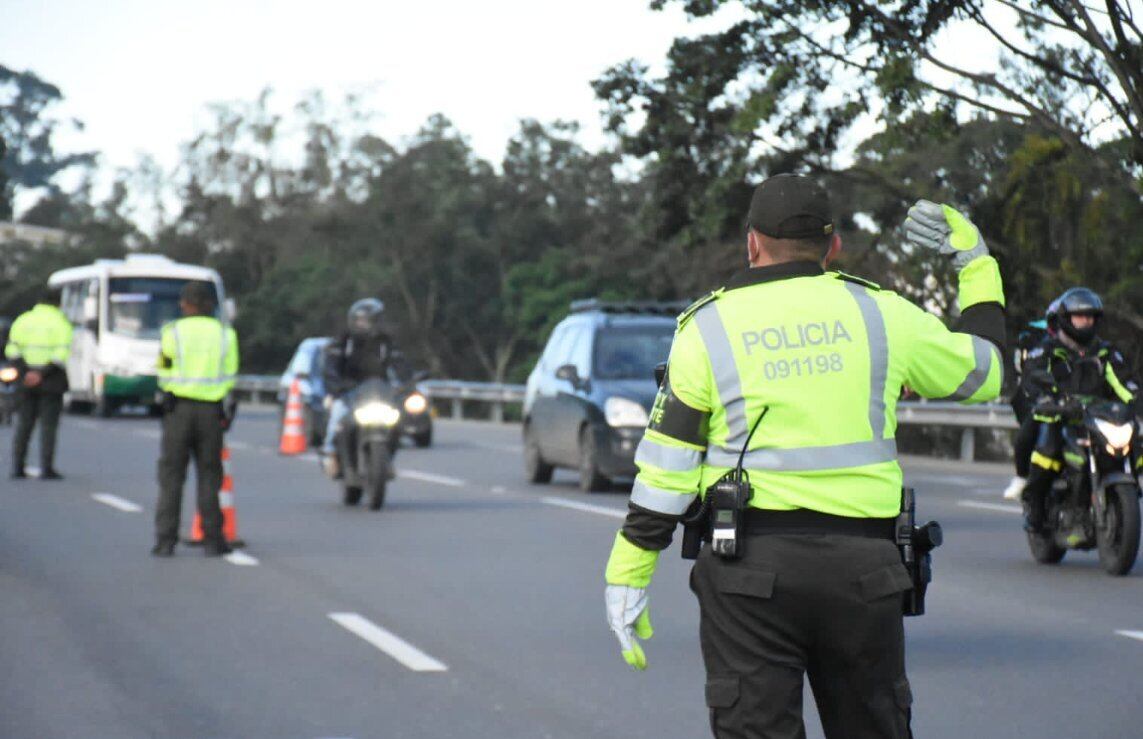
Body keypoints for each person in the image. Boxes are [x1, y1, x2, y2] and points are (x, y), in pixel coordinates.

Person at [602, 174, 1006, 738]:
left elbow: (668, 468)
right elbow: (987, 371)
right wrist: (976, 264)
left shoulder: (706, 327)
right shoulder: (881, 314)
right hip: (865, 573)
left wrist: (630, 567)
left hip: (750, 574)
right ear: (832, 245)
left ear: (752, 243)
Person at [1015, 287, 1138, 531]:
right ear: (1065, 318)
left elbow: (1124, 382)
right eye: (1079, 316)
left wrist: (1136, 398)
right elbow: (1034, 378)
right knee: (1047, 448)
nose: (1085, 321)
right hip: (1059, 416)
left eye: (1090, 316)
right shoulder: (1047, 350)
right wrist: (1049, 399)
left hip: (1097, 417)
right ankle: (1035, 504)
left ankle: (1122, 494)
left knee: (1132, 441)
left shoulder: (1105, 352)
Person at [152, 281, 239, 558]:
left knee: (171, 477)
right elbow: (230, 375)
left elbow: (163, 371)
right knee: (210, 477)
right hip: (211, 413)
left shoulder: (172, 332)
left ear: (188, 304)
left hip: (178, 411)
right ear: (211, 305)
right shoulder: (226, 335)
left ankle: (165, 541)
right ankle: (213, 541)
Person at [320, 298, 394, 475]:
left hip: (378, 393)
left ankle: (387, 460)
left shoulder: (385, 343)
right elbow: (330, 366)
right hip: (347, 391)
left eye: (367, 320)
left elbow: (399, 365)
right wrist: (336, 386)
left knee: (396, 420)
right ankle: (330, 453)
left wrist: (407, 383)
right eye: (359, 320)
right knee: (337, 414)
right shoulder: (343, 341)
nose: (363, 324)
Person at [6, 287, 73, 480]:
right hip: (51, 380)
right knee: (48, 426)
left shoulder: (23, 320)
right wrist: (41, 373)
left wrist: (27, 373)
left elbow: (12, 350)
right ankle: (46, 468)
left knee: (24, 423)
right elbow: (61, 355)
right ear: (58, 303)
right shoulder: (61, 323)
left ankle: (18, 466)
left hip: (25, 379)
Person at [1002, 303, 1059, 500]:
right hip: (1041, 398)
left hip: (1076, 401)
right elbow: (1028, 372)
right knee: (1032, 429)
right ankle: (1023, 476)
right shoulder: (1038, 341)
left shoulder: (1093, 346)